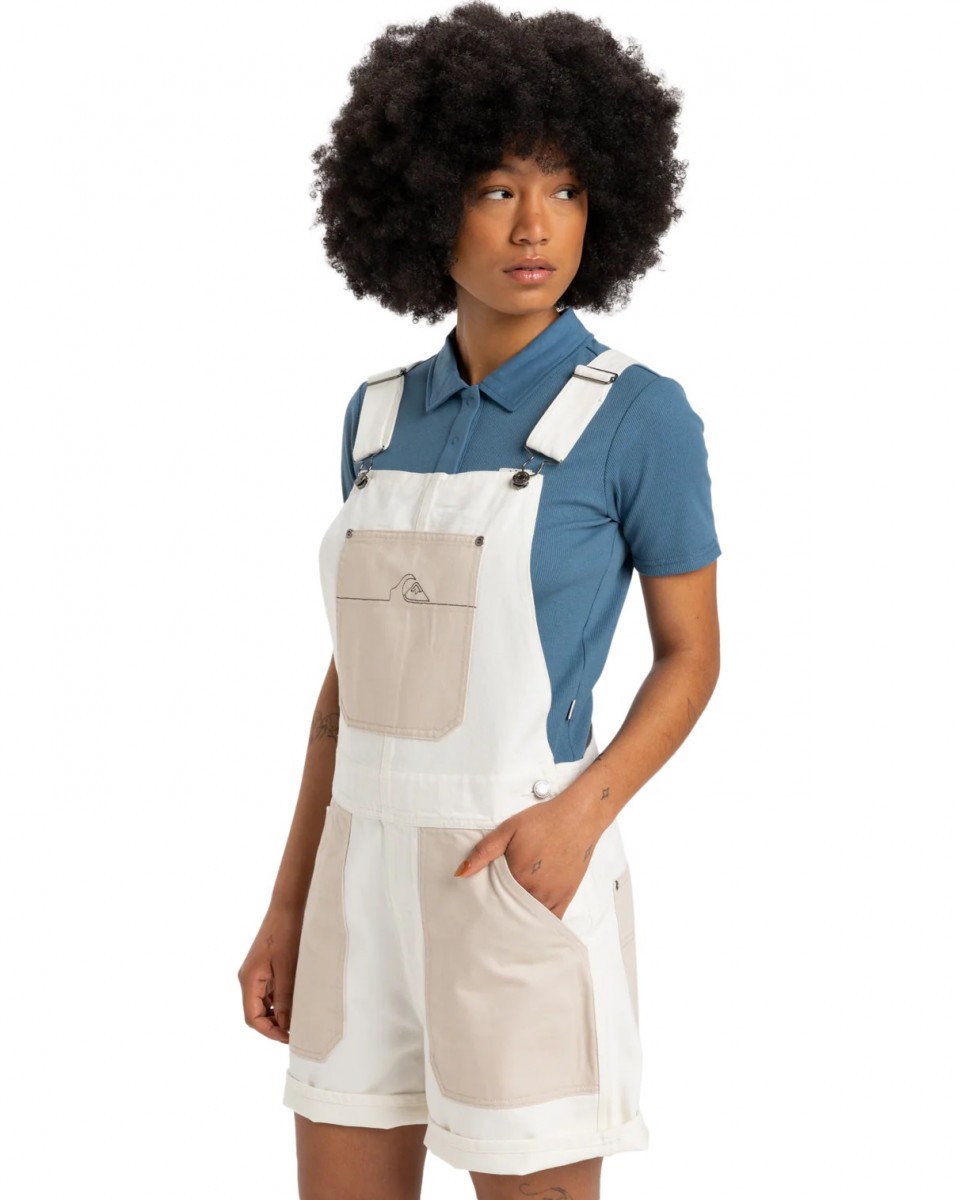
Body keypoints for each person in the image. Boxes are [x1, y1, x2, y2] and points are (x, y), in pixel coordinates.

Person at [237, 4, 722, 1197]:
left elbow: (691, 655)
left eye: (565, 189)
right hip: (356, 887)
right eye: (498, 189)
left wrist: (578, 821)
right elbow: (346, 695)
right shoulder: (376, 418)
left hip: (512, 870)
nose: (535, 226)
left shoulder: (638, 415)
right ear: (423, 205)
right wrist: (290, 905)